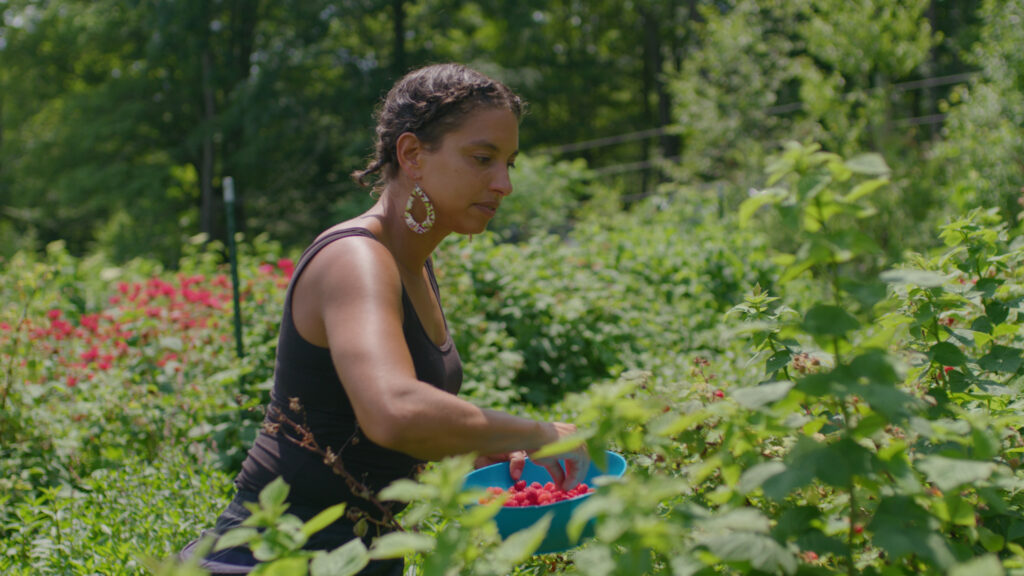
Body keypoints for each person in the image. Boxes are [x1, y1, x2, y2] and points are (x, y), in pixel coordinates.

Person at [179, 63, 590, 575]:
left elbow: (364, 435)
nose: (503, 183)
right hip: (274, 558)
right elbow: (393, 409)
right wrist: (533, 432)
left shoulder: (412, 263)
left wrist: (474, 454)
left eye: (509, 163)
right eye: (483, 158)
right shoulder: (356, 258)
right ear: (412, 154)